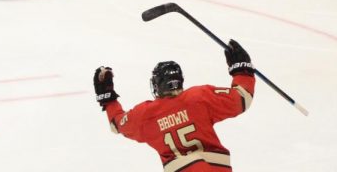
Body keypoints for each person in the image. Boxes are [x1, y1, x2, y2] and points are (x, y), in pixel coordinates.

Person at [93, 39, 256, 171]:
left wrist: (108, 100)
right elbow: (241, 99)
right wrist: (241, 70)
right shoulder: (199, 98)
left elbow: (117, 123)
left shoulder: (144, 115)